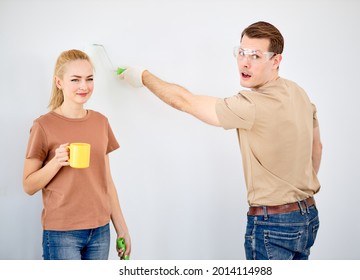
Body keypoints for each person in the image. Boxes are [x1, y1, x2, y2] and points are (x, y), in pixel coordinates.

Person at [120, 21, 322, 260]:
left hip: (274, 225)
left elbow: (185, 102)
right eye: (241, 52)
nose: (245, 63)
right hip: (307, 216)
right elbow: (316, 147)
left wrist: (142, 76)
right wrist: (297, 191)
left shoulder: (251, 105)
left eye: (256, 56)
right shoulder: (298, 91)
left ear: (275, 61)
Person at [23, 49, 131, 260]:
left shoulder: (101, 122)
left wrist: (122, 228)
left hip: (100, 230)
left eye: (89, 79)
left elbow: (107, 182)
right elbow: (28, 186)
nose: (84, 86)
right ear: (59, 82)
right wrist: (56, 162)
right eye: (75, 79)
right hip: (62, 233)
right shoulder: (43, 126)